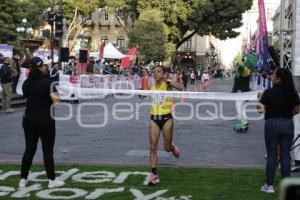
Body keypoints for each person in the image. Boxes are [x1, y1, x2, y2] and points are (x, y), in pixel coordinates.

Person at [19, 57, 64, 189]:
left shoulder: (26, 83)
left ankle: (23, 178)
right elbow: (57, 102)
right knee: (47, 151)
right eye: (43, 66)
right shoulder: (49, 83)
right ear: (39, 68)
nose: (46, 68)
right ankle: (51, 180)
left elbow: (26, 96)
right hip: (46, 120)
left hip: (29, 120)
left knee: (29, 150)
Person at [258, 68, 300, 193]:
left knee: (271, 155)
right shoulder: (292, 93)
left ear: (279, 79)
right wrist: (286, 115)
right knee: (285, 156)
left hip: (271, 124)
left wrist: (259, 98)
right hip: (287, 124)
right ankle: (286, 186)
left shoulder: (268, 92)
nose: (271, 77)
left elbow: (260, 109)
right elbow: (297, 110)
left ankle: (269, 186)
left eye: (273, 75)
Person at [146, 65, 183, 185]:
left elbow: (181, 88)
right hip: (154, 119)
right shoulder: (151, 86)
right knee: (152, 147)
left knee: (166, 148)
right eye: (154, 72)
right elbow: (141, 94)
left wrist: (171, 82)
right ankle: (154, 174)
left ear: (163, 73)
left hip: (167, 119)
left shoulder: (167, 84)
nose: (156, 74)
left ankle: (171, 147)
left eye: (158, 72)